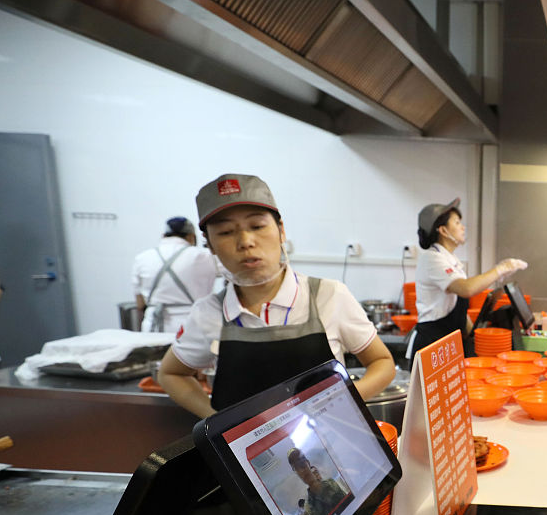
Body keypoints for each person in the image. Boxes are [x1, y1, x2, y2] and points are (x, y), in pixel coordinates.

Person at [157, 173, 395, 416]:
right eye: (226, 232)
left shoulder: (328, 295)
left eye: (258, 226)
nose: (246, 242)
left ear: (281, 231)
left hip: (327, 446)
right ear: (210, 244)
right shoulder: (208, 313)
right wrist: (218, 423)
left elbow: (382, 363)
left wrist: (338, 404)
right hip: (243, 453)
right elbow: (170, 373)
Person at [410, 198, 526, 361]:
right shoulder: (432, 259)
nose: (463, 228)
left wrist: (475, 337)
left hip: (449, 341)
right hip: (432, 344)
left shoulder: (451, 260)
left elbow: (458, 308)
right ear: (443, 230)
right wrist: (501, 269)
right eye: (457, 223)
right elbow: (467, 289)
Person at [130, 216, 218, 334]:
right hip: (193, 327)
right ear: (191, 237)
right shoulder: (204, 256)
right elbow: (235, 275)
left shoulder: (141, 258)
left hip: (154, 328)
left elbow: (140, 304)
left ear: (163, 236)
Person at [287, 447, 351, 515]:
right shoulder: (308, 507)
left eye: (301, 460)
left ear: (308, 463)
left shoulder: (332, 483)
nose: (301, 467)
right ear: (296, 472)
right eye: (296, 466)